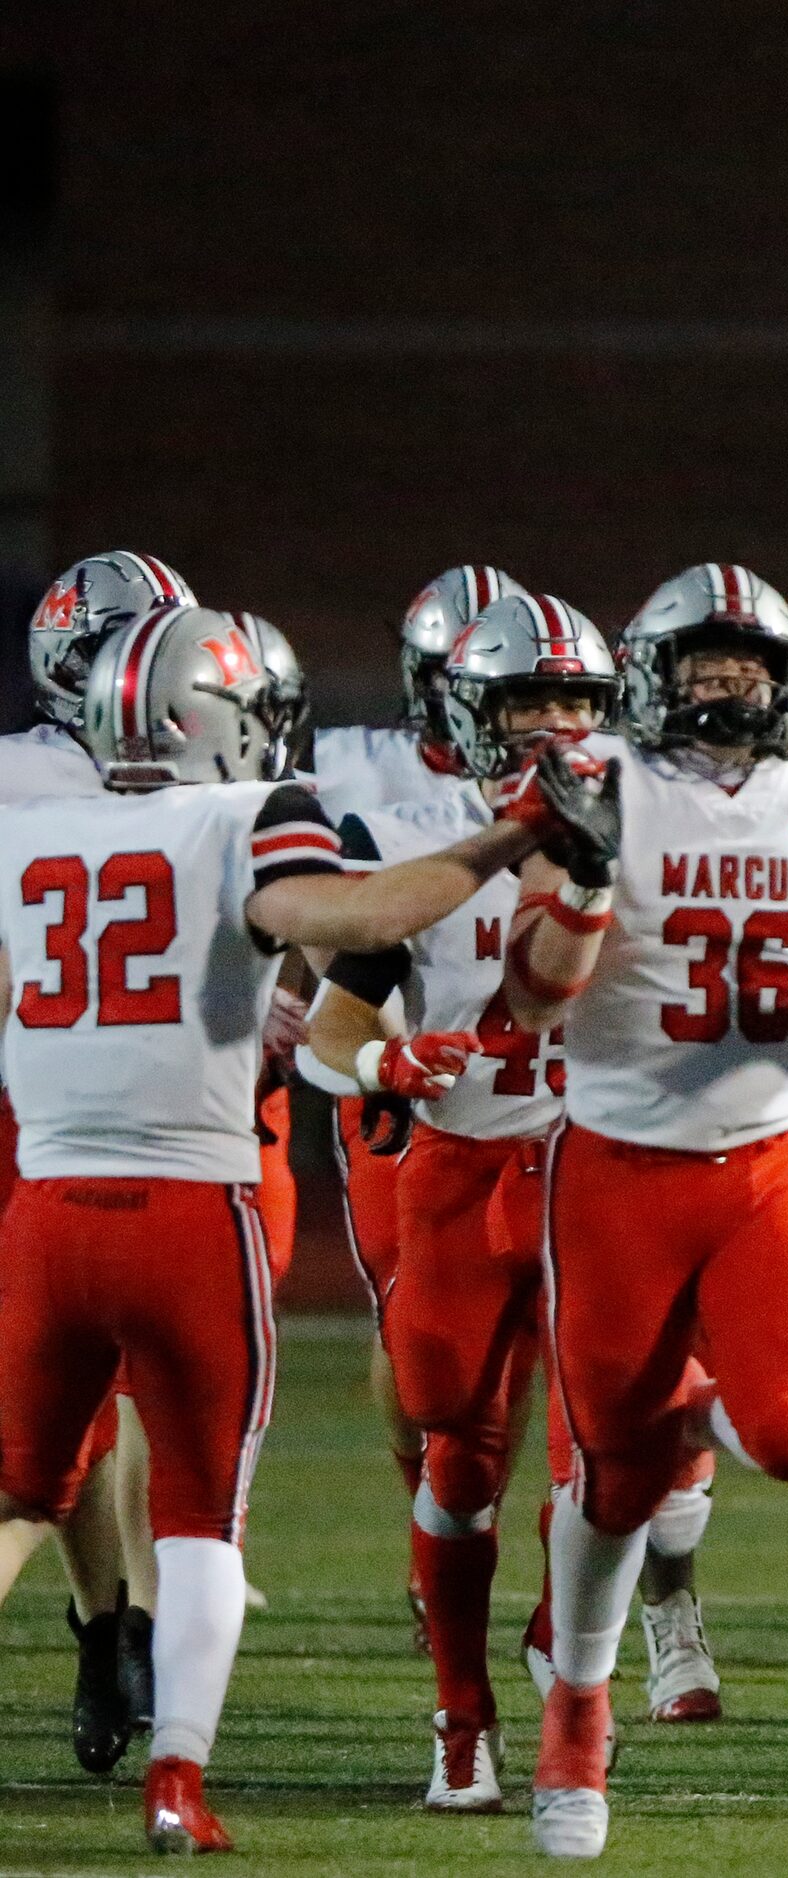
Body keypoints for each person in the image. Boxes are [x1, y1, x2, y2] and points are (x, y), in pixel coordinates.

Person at [0, 605, 566, 1854]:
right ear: (217, 719)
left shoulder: (25, 827)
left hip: (44, 1212)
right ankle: (177, 1782)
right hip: (189, 1207)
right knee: (202, 1517)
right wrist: (518, 832)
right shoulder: (248, 812)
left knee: (18, 1496)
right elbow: (360, 921)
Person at [494, 562, 788, 1858]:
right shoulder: (603, 791)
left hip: (766, 1165)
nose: (724, 688)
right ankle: (576, 1712)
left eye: (745, 668)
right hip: (619, 1173)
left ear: (784, 680)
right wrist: (584, 874)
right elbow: (534, 996)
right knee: (618, 1473)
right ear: (652, 681)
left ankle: (674, 1381)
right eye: (699, 667)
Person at [296, 592, 621, 1812]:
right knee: (458, 1454)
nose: (551, 723)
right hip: (461, 1175)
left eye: (573, 701)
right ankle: (461, 1710)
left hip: (598, 1170)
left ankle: (563, 1675)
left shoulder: (653, 825)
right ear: (469, 718)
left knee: (617, 1446)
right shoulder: (432, 842)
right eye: (524, 702)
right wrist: (383, 1062)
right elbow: (334, 1029)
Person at [0, 551, 195, 1777]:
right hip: (36, 1102)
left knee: (165, 1381)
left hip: (187, 1107)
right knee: (46, 1411)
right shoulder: (19, 777)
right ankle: (101, 1625)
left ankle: (144, 1629)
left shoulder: (226, 768)